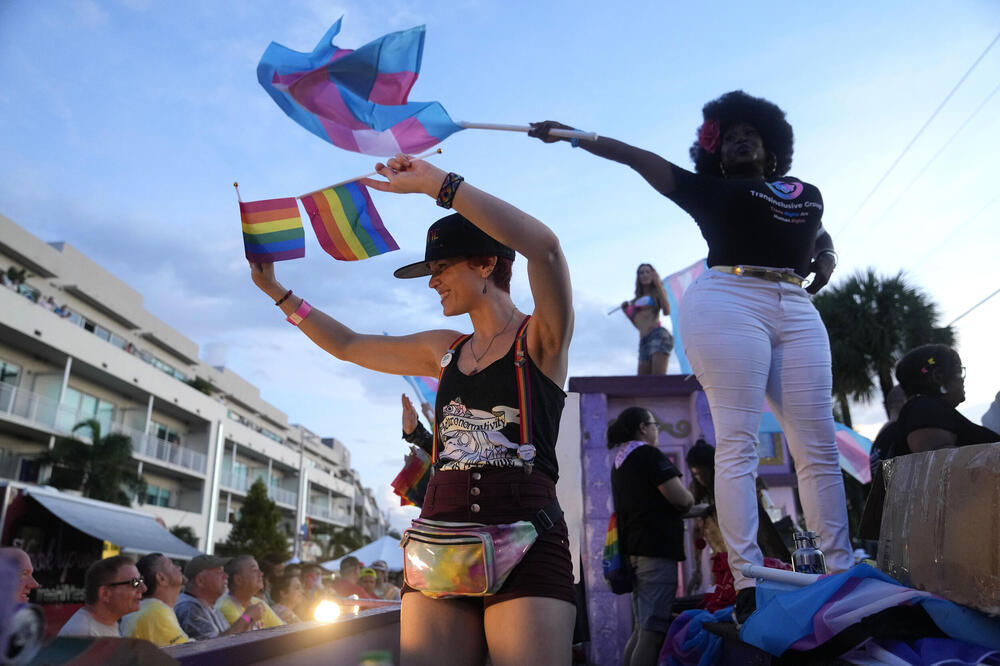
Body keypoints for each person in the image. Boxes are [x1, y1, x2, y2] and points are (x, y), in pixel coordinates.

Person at [532, 91, 851, 625]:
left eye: (750, 132)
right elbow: (640, 159)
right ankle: (749, 575)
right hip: (729, 298)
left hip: (796, 303)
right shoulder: (710, 192)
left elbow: (814, 228)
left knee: (817, 442)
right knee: (739, 440)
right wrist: (575, 135)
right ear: (718, 157)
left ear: (771, 146)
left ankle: (841, 571)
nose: (740, 138)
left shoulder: (804, 191)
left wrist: (827, 254)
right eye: (729, 137)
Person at [249, 153, 576, 665]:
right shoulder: (442, 349)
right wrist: (278, 293)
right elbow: (350, 345)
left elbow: (547, 250)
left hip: (528, 535)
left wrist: (438, 186)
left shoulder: (539, 340)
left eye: (441, 268)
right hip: (439, 538)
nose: (432, 282)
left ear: (486, 263)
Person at [607, 407, 694, 666]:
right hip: (655, 553)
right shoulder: (648, 454)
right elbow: (681, 498)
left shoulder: (621, 461)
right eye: (654, 424)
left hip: (634, 552)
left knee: (641, 629)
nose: (657, 430)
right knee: (653, 632)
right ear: (643, 428)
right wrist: (691, 501)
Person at [887, 345, 998, 456]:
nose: (962, 378)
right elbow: (940, 465)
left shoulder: (923, 411)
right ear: (938, 376)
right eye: (959, 371)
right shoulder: (923, 410)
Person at [175, 555, 263, 640]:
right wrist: (247, 617)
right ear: (200, 580)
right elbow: (216, 647)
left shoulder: (210, 607)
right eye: (219, 572)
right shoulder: (188, 609)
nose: (226, 576)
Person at [58, 555, 145, 638]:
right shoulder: (87, 634)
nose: (144, 588)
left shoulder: (106, 623)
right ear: (105, 594)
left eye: (141, 580)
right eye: (135, 582)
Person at [121, 553, 189, 647]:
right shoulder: (155, 613)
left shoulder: (145, 609)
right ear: (161, 578)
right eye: (172, 565)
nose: (179, 567)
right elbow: (189, 654)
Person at [621, 264, 673, 375]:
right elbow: (638, 325)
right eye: (641, 272)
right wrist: (626, 312)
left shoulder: (657, 293)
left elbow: (667, 311)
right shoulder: (635, 300)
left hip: (658, 335)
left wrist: (658, 284)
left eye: (648, 272)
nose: (644, 274)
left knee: (658, 381)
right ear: (638, 276)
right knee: (643, 384)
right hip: (643, 340)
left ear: (653, 274)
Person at [215, 555, 284, 630]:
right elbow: (241, 638)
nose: (261, 574)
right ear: (238, 579)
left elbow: (282, 630)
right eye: (254, 570)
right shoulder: (225, 607)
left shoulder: (258, 602)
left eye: (259, 570)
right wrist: (249, 617)